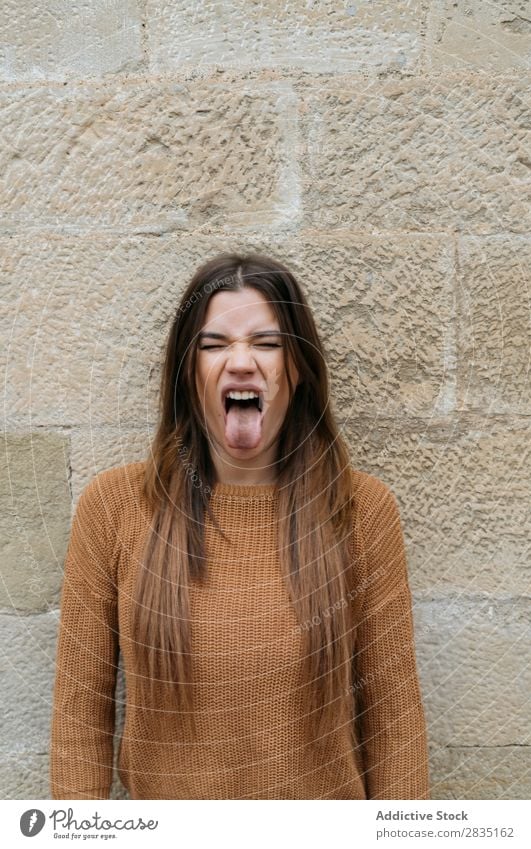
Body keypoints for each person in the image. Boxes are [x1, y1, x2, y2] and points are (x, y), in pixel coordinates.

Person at [50, 251, 430, 800]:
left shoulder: (361, 511)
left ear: (297, 370)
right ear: (188, 371)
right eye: (214, 344)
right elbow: (80, 721)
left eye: (267, 343)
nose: (242, 362)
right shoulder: (113, 508)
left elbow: (392, 721)